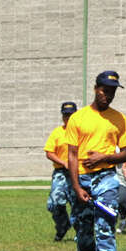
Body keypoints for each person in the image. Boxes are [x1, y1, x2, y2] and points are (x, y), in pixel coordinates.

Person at [65, 70, 126, 251]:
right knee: (83, 225)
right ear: (96, 88)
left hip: (106, 177)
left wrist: (104, 157)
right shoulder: (78, 118)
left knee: (106, 222)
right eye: (105, 90)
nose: (108, 95)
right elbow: (72, 156)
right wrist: (76, 186)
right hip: (83, 178)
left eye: (112, 91)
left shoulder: (119, 119)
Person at [44, 102, 79, 241]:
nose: (68, 117)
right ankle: (62, 225)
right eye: (65, 115)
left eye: (71, 115)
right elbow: (49, 152)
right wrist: (63, 162)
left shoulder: (81, 132)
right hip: (61, 172)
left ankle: (79, 233)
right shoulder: (58, 132)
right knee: (55, 202)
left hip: (77, 173)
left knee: (77, 203)